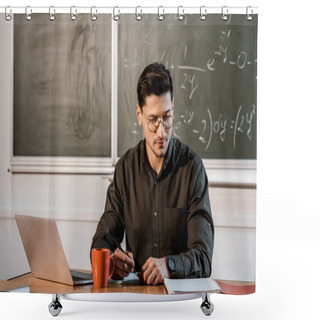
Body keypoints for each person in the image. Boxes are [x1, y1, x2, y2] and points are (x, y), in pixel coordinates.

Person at [91, 62, 214, 285]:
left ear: (173, 109)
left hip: (181, 302)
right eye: (153, 120)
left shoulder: (193, 168)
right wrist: (111, 259)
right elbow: (102, 240)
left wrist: (170, 265)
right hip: (136, 299)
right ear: (139, 115)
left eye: (167, 118)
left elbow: (204, 259)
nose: (161, 132)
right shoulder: (126, 169)